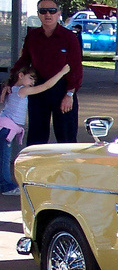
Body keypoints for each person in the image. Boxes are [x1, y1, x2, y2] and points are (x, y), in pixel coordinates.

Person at [2, 0, 83, 145]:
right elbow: (23, 61)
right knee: (36, 136)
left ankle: (68, 167)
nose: (48, 14)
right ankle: (34, 166)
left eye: (52, 11)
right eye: (43, 11)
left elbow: (76, 68)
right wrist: (11, 81)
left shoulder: (69, 37)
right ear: (38, 14)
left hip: (63, 90)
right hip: (38, 89)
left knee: (66, 137)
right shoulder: (33, 37)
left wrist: (70, 94)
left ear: (58, 13)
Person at [0, 64, 71, 195]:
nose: (32, 82)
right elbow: (46, 86)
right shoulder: (21, 90)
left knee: (3, 157)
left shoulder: (13, 89)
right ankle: (6, 187)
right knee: (4, 158)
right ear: (20, 75)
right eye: (30, 78)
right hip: (6, 129)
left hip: (5, 127)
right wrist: (62, 72)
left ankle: (5, 185)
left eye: (34, 80)